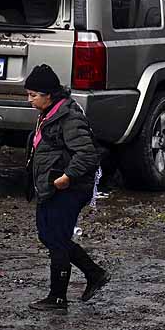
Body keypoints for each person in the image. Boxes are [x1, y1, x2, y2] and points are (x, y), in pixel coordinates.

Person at [24, 63, 110, 311]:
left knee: (57, 239)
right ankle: (94, 274)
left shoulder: (69, 117)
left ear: (49, 95)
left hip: (68, 188)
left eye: (33, 95)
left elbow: (87, 154)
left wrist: (67, 177)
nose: (29, 100)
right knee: (48, 235)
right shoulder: (48, 114)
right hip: (49, 187)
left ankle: (58, 297)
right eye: (28, 94)